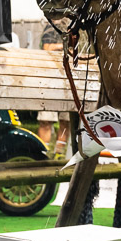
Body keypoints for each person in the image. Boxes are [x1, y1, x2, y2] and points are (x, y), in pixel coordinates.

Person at [37, 22, 71, 158]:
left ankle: (59, 156)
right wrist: (66, 46)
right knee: (46, 120)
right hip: (49, 78)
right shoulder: (53, 24)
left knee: (66, 120)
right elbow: (47, 48)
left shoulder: (74, 25)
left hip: (69, 79)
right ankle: (42, 156)